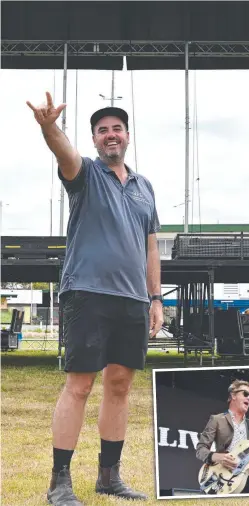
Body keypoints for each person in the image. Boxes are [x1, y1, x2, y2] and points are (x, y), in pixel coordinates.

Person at [26, 92, 164, 505]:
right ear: (94, 139)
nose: (110, 135)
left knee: (119, 385)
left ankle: (109, 477)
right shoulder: (85, 174)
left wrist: (155, 298)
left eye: (116, 128)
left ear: (127, 135)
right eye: (102, 130)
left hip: (133, 300)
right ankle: (60, 482)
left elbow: (151, 247)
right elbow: (64, 153)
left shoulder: (145, 188)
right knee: (80, 386)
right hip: (87, 293)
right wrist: (50, 127)